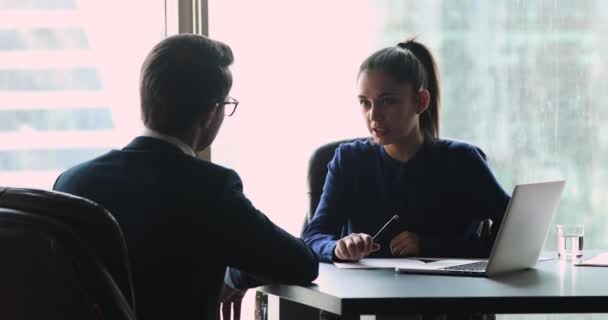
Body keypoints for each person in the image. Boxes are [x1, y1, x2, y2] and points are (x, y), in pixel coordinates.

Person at [53, 34, 318, 320]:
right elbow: (300, 263)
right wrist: (234, 275)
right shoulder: (210, 188)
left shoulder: (71, 182)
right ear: (209, 112)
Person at [302, 38, 510, 264]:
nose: (374, 116)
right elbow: (314, 236)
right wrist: (338, 247)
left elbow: (515, 230)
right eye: (365, 103)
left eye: (388, 101)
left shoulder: (462, 160)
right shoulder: (349, 160)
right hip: (364, 294)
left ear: (420, 102)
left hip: (447, 293)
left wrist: (430, 246)